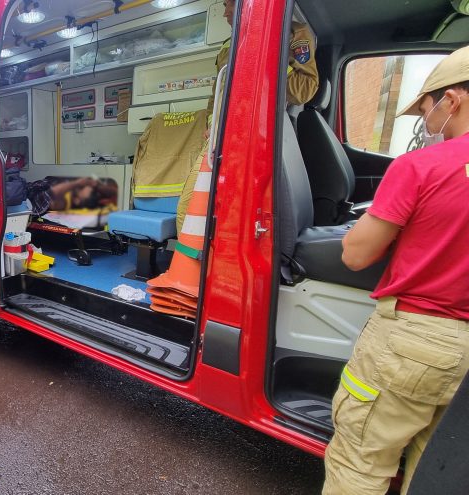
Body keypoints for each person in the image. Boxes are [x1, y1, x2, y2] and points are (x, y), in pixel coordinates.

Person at [323, 47, 469, 494]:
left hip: (416, 342)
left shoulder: (423, 165)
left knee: (360, 462)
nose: (426, 120)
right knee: (435, 468)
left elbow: (355, 254)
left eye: (426, 108)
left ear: (453, 100)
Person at [180, 0, 319, 232]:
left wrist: (265, 59)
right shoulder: (228, 44)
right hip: (220, 135)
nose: (225, 12)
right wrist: (211, 125)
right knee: (192, 207)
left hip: (255, 136)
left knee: (230, 213)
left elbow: (304, 89)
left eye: (230, 4)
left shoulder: (291, 32)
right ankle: (201, 264)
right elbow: (218, 91)